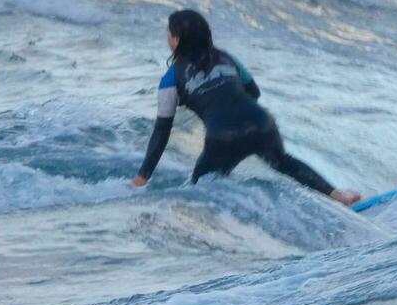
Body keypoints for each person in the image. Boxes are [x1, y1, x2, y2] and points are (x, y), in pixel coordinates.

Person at [133, 10, 361, 206]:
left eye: (169, 33)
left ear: (176, 40)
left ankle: (212, 227)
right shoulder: (225, 58)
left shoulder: (170, 78)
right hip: (262, 122)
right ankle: (338, 195)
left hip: (222, 135)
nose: (167, 37)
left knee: (201, 186)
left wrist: (142, 176)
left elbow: (162, 130)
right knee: (282, 161)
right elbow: (253, 92)